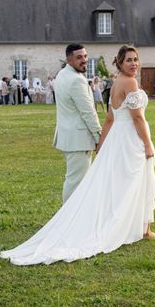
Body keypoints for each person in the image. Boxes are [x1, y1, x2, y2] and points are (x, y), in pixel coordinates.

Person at [0, 45, 155, 266]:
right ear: (120, 63)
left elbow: (109, 120)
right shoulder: (130, 83)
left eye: (136, 59)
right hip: (131, 140)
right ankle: (136, 228)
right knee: (134, 182)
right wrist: (148, 144)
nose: (133, 63)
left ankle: (142, 227)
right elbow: (137, 119)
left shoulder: (116, 84)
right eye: (128, 60)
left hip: (117, 140)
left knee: (126, 183)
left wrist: (102, 145)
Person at [51, 44, 101, 202]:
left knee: (74, 181)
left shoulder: (62, 74)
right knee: (76, 183)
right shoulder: (76, 80)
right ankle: (69, 222)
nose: (84, 60)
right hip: (78, 139)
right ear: (69, 59)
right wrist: (99, 138)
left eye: (85, 56)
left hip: (69, 136)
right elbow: (88, 113)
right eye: (79, 57)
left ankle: (73, 220)